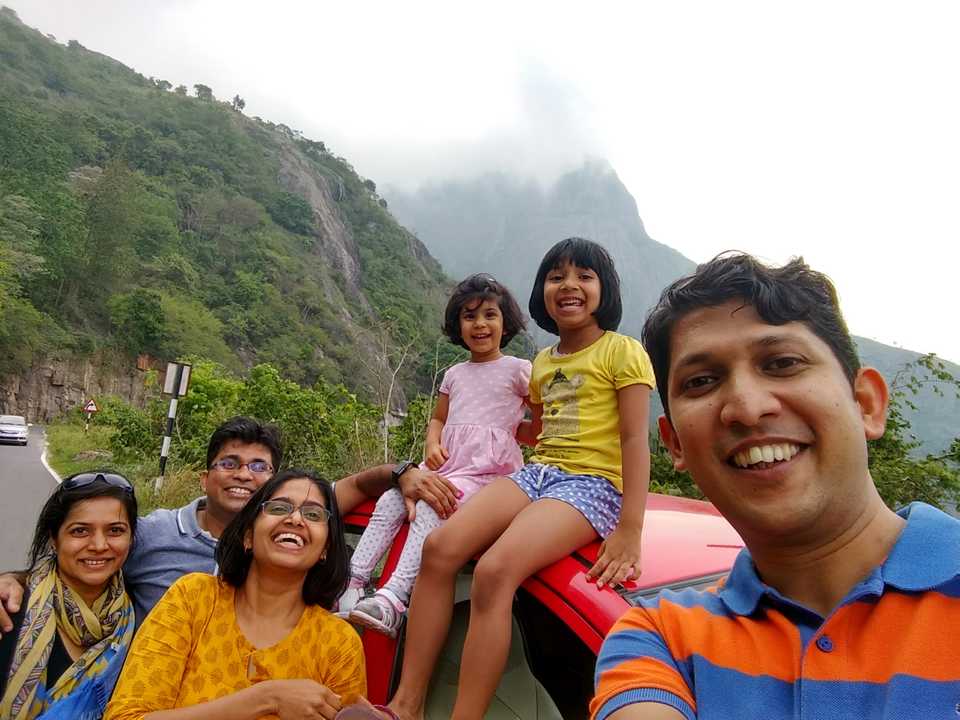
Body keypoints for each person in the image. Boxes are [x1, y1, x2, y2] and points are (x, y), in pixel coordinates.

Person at [591, 253, 960, 719]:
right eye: (702, 381)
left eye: (782, 363)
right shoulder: (659, 640)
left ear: (866, 403)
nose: (746, 406)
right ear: (674, 444)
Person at [388, 237, 655, 720]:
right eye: (557, 276)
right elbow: (533, 429)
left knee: (493, 571)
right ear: (542, 291)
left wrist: (629, 530)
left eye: (584, 276)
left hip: (591, 482)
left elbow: (636, 441)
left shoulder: (623, 352)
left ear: (604, 290)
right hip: (538, 474)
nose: (569, 285)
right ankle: (405, 704)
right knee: (440, 548)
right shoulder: (544, 363)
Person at [0, 417, 463, 629]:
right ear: (205, 476)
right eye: (230, 463)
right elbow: (87, 561)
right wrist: (16, 580)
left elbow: (346, 489)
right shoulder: (157, 531)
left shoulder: (285, 536)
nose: (244, 474)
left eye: (260, 468)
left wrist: (402, 474)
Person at [342, 274, 532, 637]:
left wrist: (506, 431)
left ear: (505, 322)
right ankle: (353, 580)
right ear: (457, 325)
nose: (479, 324)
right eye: (469, 316)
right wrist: (432, 442)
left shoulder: (519, 370)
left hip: (485, 474)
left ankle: (394, 598)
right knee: (390, 499)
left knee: (432, 505)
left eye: (490, 315)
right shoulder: (455, 374)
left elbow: (539, 424)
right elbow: (439, 418)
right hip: (448, 464)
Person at [105, 469, 366, 720]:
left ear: (325, 549)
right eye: (278, 508)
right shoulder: (193, 598)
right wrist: (267, 698)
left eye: (313, 514)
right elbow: (126, 716)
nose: (295, 519)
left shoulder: (338, 644)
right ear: (248, 535)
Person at [0, 471, 137, 719]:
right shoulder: (9, 609)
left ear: (132, 537)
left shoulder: (137, 623)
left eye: (115, 530)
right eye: (80, 531)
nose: (98, 545)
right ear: (54, 538)